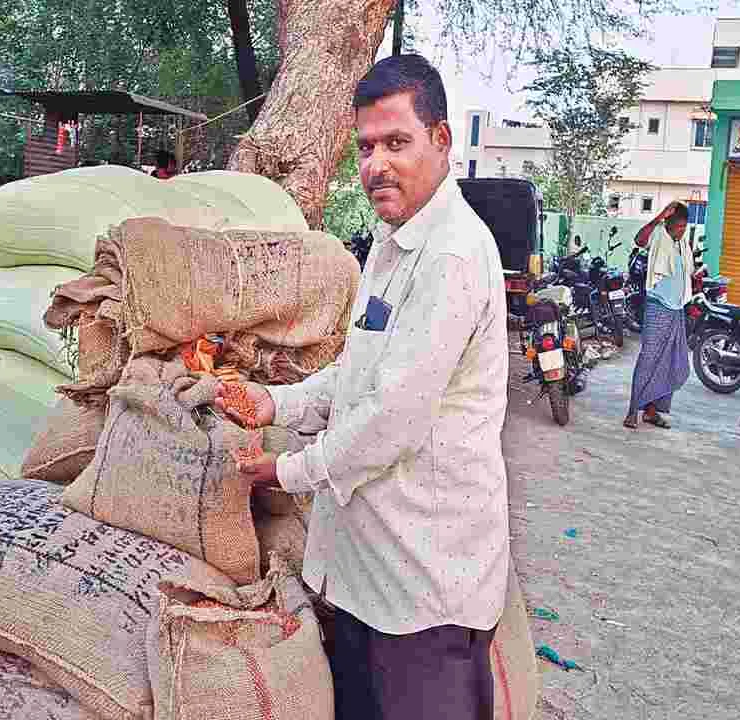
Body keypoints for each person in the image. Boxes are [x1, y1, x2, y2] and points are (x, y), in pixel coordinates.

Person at [216, 53, 510, 720]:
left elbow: (391, 421)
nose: (377, 164)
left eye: (397, 142)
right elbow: (363, 369)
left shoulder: (452, 255)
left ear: (441, 140)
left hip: (424, 588)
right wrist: (275, 402)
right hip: (365, 572)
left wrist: (284, 470)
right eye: (366, 146)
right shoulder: (390, 240)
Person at [624, 201, 695, 429]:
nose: (683, 230)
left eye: (685, 226)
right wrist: (659, 217)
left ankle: (652, 412)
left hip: (676, 310)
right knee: (649, 359)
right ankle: (633, 411)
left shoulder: (682, 243)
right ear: (669, 223)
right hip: (658, 307)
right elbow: (638, 240)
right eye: (680, 226)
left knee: (668, 361)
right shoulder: (658, 235)